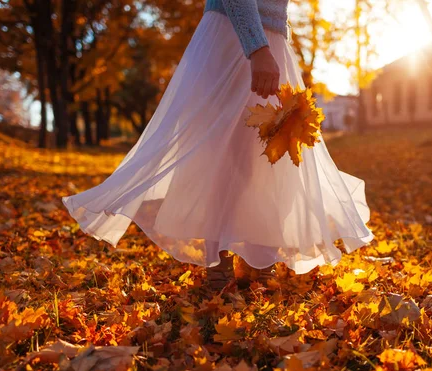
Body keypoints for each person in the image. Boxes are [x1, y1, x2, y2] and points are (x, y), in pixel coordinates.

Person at [62, 0, 374, 291]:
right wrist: (257, 48)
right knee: (222, 151)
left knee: (268, 152)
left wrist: (272, 45)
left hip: (272, 41)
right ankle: (219, 261)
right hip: (233, 38)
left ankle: (258, 256)